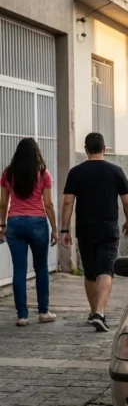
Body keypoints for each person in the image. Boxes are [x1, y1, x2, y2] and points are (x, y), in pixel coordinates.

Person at [60, 132, 128, 332]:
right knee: (106, 270)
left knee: (90, 273)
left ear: (85, 150)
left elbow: (68, 202)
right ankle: (99, 313)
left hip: (85, 229)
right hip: (108, 228)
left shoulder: (76, 172)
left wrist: (64, 229)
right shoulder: (116, 171)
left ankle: (94, 312)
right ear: (104, 148)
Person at [0, 138, 59, 327]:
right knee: (41, 267)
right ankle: (43, 312)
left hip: (15, 223)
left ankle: (22, 316)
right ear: (36, 153)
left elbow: (2, 203)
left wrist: (2, 226)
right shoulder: (43, 173)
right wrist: (55, 229)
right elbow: (48, 204)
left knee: (19, 269)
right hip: (37, 223)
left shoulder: (8, 174)